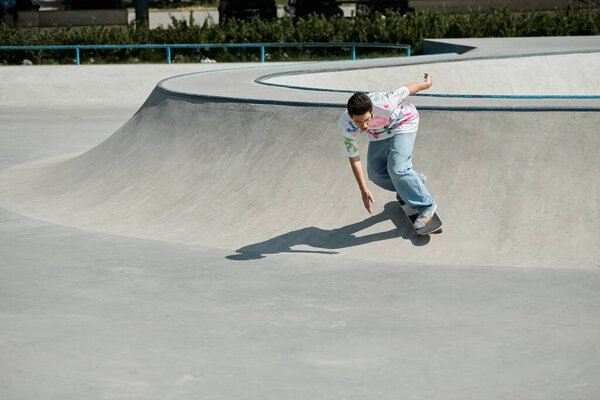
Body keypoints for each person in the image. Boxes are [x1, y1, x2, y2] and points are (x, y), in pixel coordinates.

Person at [338, 73, 437, 229]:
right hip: (379, 133)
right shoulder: (345, 124)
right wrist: (363, 189)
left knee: (397, 169)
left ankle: (427, 206)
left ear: (372, 111)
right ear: (350, 115)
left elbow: (406, 89)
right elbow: (354, 157)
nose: (364, 126)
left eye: (367, 119)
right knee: (375, 174)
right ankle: (412, 181)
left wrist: (427, 84)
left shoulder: (384, 102)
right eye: (358, 121)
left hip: (404, 122)